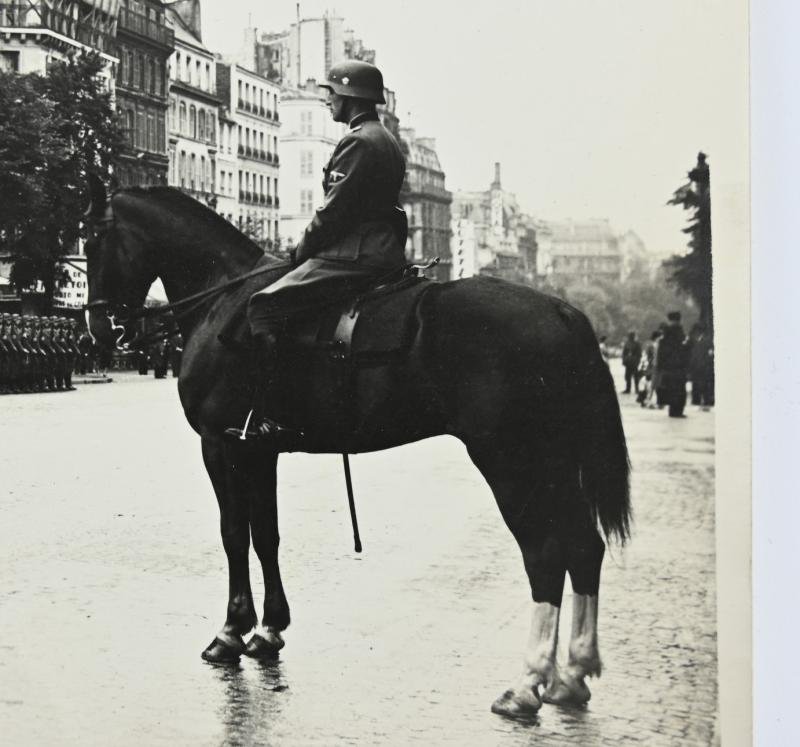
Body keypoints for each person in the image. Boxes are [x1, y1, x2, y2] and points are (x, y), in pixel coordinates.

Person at [226, 60, 408, 441]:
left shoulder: (358, 141)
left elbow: (333, 213)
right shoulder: (384, 138)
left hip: (354, 254)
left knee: (263, 306)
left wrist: (298, 252)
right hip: (380, 248)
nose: (328, 101)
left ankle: (278, 415)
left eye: (332, 94)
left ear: (350, 97)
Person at [655, 311, 689, 417]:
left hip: (668, 367)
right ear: (679, 319)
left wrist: (660, 367)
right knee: (679, 389)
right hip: (679, 367)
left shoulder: (665, 334)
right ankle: (678, 411)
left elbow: (661, 352)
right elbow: (685, 350)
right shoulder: (680, 332)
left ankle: (672, 411)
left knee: (670, 388)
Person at [688, 322, 714, 408]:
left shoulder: (707, 341)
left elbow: (710, 354)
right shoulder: (694, 341)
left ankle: (707, 400)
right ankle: (696, 400)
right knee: (696, 383)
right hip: (696, 367)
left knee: (705, 383)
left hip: (704, 366)